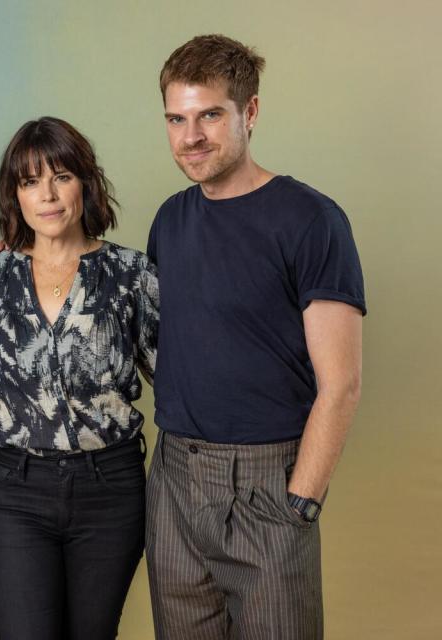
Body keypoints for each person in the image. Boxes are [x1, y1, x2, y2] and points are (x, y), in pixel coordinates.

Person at [145, 34, 366, 639]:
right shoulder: (169, 221)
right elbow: (161, 341)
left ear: (251, 112)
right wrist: (24, 256)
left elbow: (341, 384)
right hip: (174, 480)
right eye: (176, 118)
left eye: (210, 115)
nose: (190, 136)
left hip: (269, 481)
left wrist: (300, 503)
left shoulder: (310, 220)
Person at [0, 117, 159, 640]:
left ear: (85, 184)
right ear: (15, 195)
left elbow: (178, 376)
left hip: (110, 488)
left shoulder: (132, 275)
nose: (46, 195)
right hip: (18, 490)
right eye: (29, 182)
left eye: (61, 176)